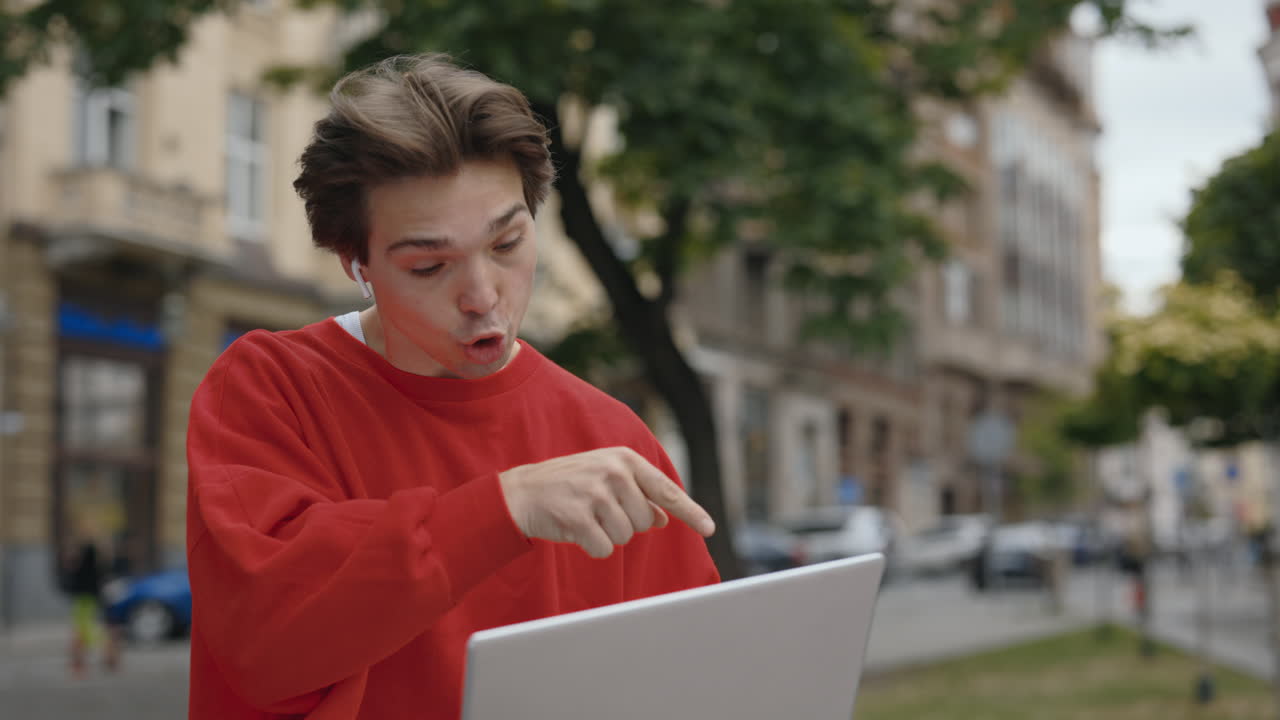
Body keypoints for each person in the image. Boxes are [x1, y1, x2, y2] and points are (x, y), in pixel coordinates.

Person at [185, 53, 720, 720]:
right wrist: (505, 506)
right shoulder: (269, 390)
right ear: (359, 265)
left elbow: (689, 682)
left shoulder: (610, 437)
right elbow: (266, 640)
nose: (481, 295)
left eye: (506, 245)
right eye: (430, 264)